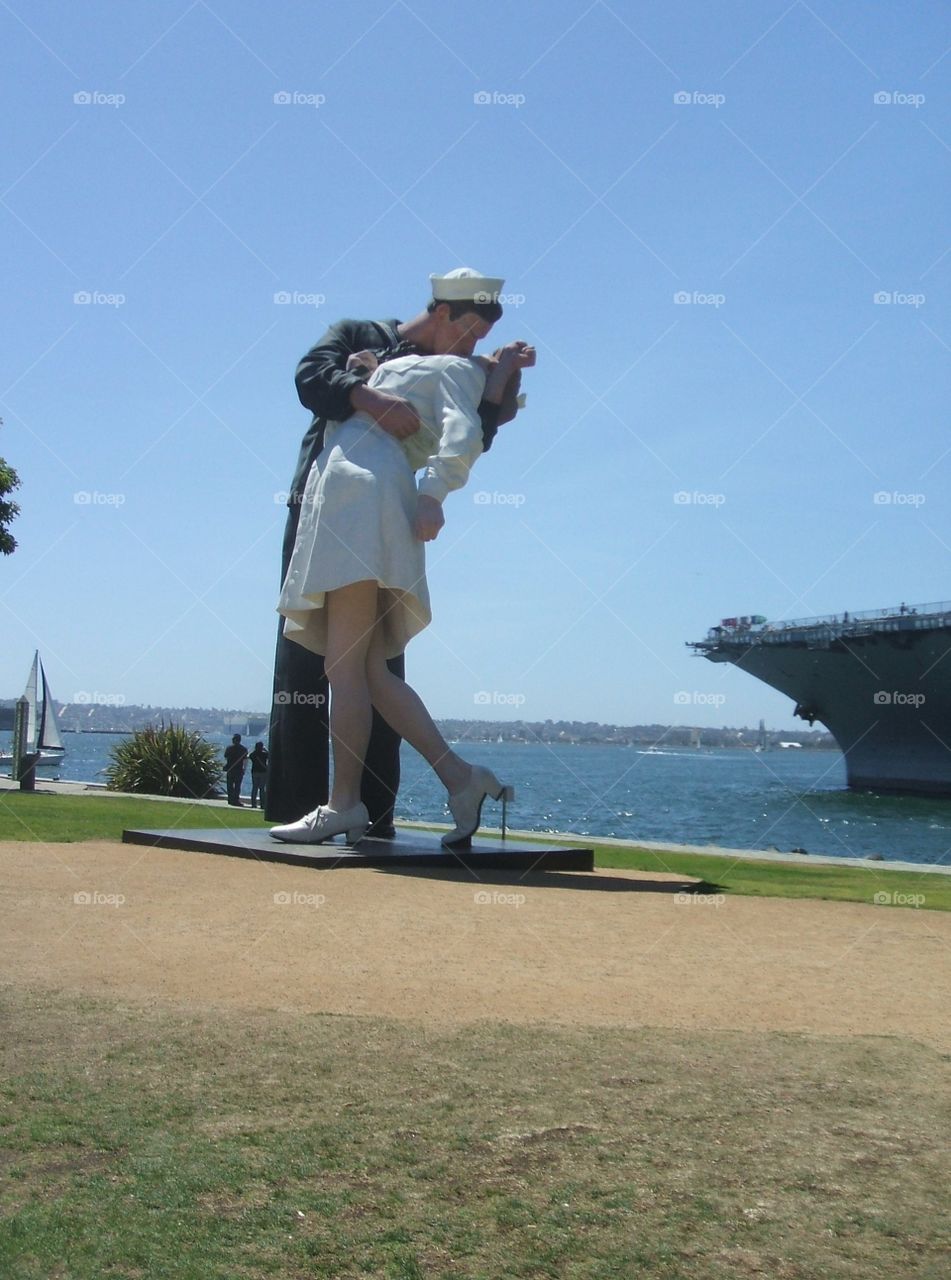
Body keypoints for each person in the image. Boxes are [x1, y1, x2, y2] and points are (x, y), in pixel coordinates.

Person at [265, 268, 527, 832]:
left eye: (483, 337)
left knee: (344, 670)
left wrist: (434, 493)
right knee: (367, 670)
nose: (473, 343)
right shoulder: (373, 343)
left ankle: (345, 804)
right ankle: (459, 777)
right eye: (470, 328)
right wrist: (365, 384)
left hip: (363, 505)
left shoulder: (457, 368)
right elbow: (312, 377)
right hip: (335, 503)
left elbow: (470, 432)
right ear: (441, 313)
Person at [223, 734, 248, 806]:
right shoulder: (243, 749)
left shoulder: (229, 748)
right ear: (240, 740)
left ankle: (230, 799)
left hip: (230, 769)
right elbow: (245, 760)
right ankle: (236, 800)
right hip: (239, 769)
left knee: (230, 785)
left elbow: (226, 757)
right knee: (237, 786)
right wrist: (244, 769)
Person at [248, 741, 269, 808]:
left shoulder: (253, 755)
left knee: (254, 788)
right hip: (263, 772)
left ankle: (253, 804)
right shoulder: (264, 754)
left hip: (254, 772)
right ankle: (262, 804)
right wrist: (265, 749)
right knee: (262, 788)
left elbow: (249, 755)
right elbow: (271, 755)